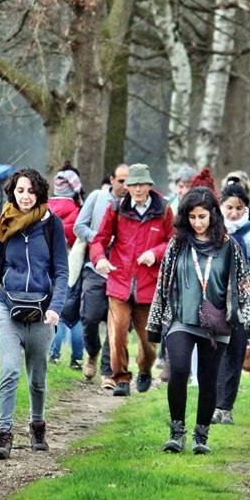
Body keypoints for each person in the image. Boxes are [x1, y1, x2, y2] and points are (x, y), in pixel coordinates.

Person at [147, 188, 250, 454]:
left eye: (202, 216)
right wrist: (155, 324)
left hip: (217, 323)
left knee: (209, 378)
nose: (197, 223)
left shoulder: (229, 245)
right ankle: (176, 433)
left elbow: (245, 282)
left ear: (213, 214)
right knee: (178, 369)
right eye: (192, 217)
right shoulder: (177, 244)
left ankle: (201, 436)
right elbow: (162, 285)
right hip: (180, 319)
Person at [0, 168, 69, 460]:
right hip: (8, 309)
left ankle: (37, 425)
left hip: (42, 312)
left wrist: (56, 308)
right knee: (9, 371)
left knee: (38, 379)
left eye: (31, 191)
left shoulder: (51, 224)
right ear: (12, 193)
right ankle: (4, 435)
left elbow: (61, 271)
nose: (26, 196)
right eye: (20, 190)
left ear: (39, 193)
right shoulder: (3, 224)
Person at [89, 163, 173, 397]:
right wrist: (99, 260)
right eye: (133, 184)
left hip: (149, 284)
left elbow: (173, 243)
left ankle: (145, 369)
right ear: (126, 186)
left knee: (148, 342)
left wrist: (154, 253)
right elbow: (99, 239)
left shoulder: (164, 209)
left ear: (149, 185)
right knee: (117, 334)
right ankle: (121, 378)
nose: (137, 188)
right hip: (119, 280)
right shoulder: (117, 208)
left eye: (141, 184)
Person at [212, 183, 250, 425]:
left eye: (239, 208)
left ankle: (226, 407)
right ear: (221, 207)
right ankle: (212, 405)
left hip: (241, 300)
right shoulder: (212, 229)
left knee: (235, 353)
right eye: (229, 207)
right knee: (214, 353)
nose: (234, 212)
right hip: (214, 298)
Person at [73, 164, 129, 385]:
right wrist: (100, 237)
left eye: (129, 182)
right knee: (89, 316)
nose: (125, 186)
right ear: (112, 180)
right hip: (95, 267)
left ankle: (107, 370)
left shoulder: (134, 207)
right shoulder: (97, 198)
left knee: (116, 321)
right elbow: (79, 226)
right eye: (121, 181)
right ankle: (92, 352)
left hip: (122, 270)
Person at [48, 167, 85, 368]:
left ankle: (53, 355)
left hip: (48, 267)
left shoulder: (45, 207)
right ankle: (77, 359)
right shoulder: (77, 211)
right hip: (70, 267)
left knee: (55, 312)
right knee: (74, 315)